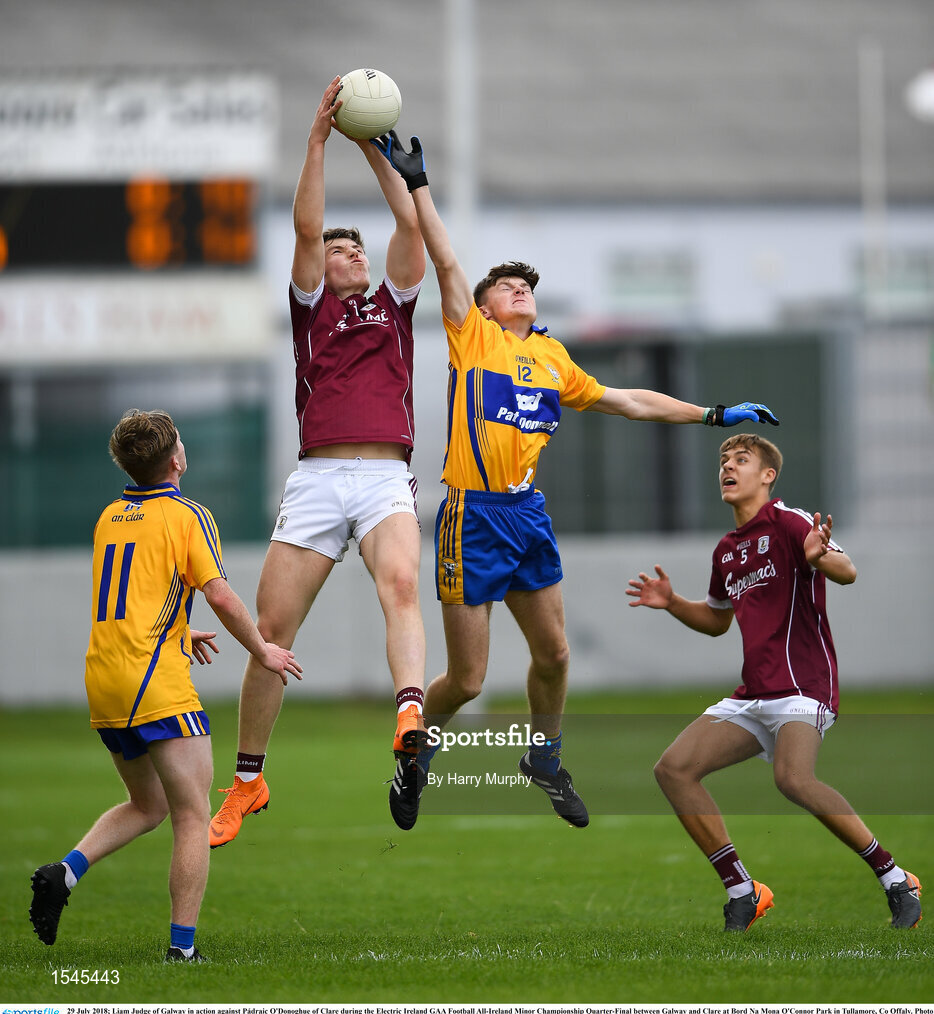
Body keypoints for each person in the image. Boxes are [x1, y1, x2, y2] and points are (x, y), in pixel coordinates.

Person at [373, 131, 779, 828]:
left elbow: (629, 400)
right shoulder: (474, 335)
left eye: (524, 283)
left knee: (555, 654)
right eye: (505, 285)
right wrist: (418, 185)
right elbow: (443, 257)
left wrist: (713, 414)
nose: (518, 288)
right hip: (472, 518)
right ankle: (418, 755)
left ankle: (544, 758)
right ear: (487, 304)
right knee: (467, 681)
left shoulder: (556, 359)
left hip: (526, 515)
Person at [209, 77, 428, 844]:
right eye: (339, 248)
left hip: (381, 477)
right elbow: (304, 231)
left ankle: (410, 716)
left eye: (355, 248)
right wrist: (315, 141)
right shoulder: (314, 308)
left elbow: (409, 222)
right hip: (316, 479)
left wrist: (373, 147)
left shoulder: (395, 303)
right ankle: (247, 780)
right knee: (272, 631)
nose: (348, 254)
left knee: (401, 583)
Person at [28, 409, 302, 962]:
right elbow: (221, 594)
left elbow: (136, 594)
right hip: (153, 683)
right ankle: (181, 951)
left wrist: (179, 628)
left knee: (147, 804)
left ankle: (64, 873)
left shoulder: (111, 515)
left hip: (105, 678)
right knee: (192, 815)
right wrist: (263, 649)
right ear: (176, 458)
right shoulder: (187, 514)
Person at [626, 432, 922, 931]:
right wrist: (674, 603)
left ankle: (895, 879)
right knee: (673, 770)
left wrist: (817, 557)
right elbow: (718, 619)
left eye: (741, 459)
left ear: (768, 476)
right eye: (723, 459)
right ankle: (744, 890)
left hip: (804, 682)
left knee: (793, 778)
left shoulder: (791, 522)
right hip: (756, 691)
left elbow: (846, 571)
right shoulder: (727, 550)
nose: (727, 466)